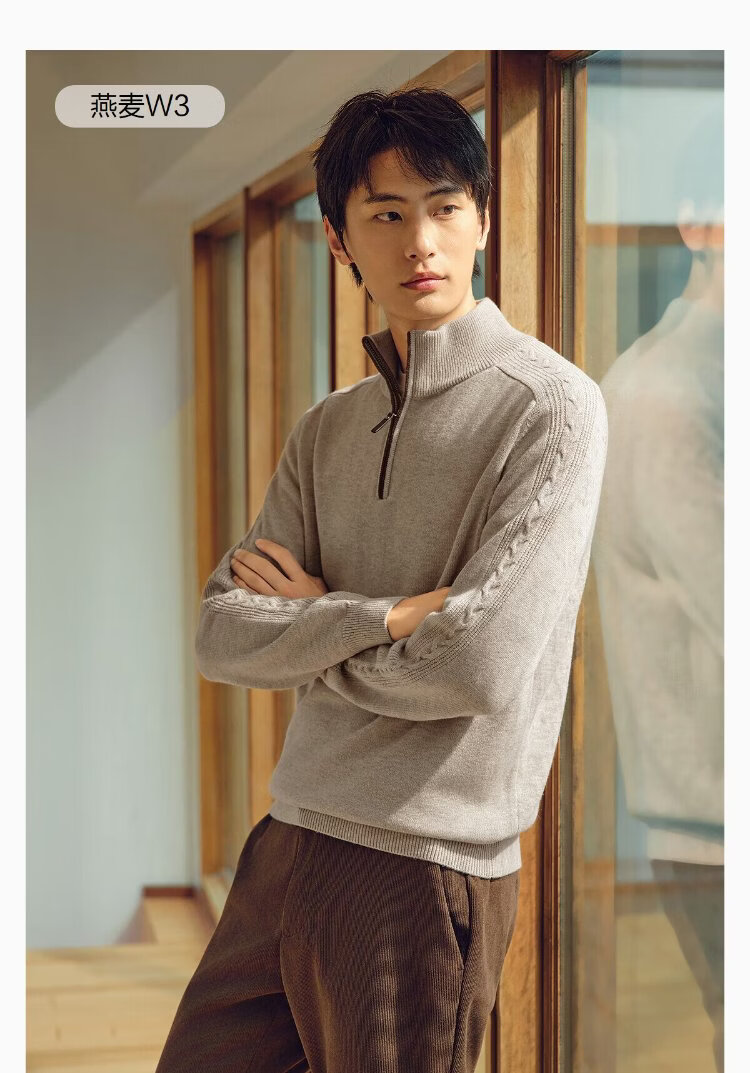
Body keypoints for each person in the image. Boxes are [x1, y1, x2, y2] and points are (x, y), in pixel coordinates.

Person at [156, 86, 608, 1073]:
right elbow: (221, 633)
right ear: (339, 239)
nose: (421, 242)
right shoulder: (328, 426)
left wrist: (314, 626)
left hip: (424, 863)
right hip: (292, 836)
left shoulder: (552, 408)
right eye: (387, 214)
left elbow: (478, 665)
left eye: (444, 207)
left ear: (483, 217)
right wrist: (391, 616)